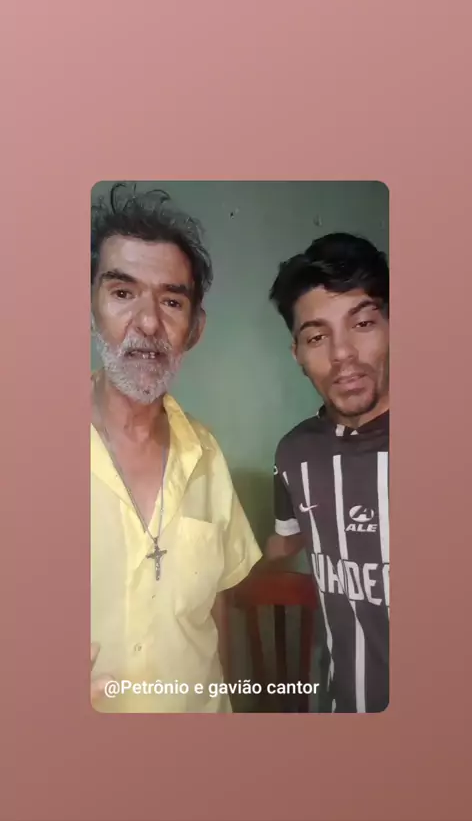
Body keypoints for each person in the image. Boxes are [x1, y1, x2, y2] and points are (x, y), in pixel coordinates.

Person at [90, 183, 261, 713]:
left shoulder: (207, 455)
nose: (148, 323)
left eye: (171, 301)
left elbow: (215, 608)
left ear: (195, 329)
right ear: (90, 306)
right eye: (123, 293)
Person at [266, 233, 389, 713]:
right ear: (297, 354)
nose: (342, 353)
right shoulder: (294, 454)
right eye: (317, 336)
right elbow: (284, 544)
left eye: (363, 323)